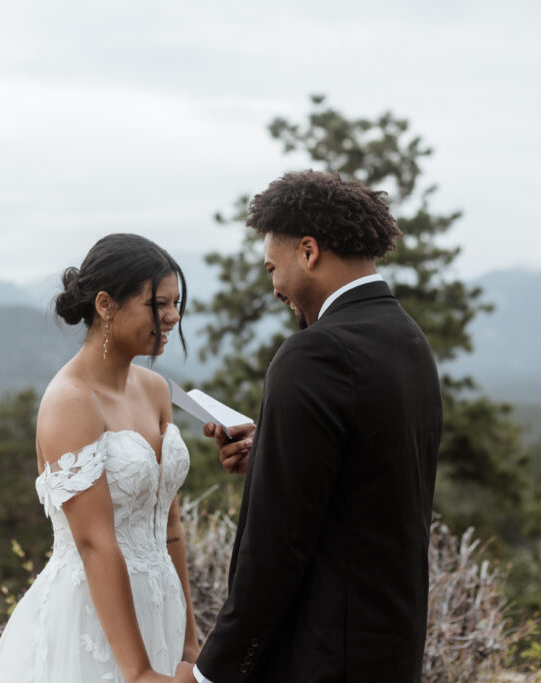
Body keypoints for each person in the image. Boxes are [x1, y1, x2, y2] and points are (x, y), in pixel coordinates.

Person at [181, 171, 444, 682]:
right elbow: (368, 475)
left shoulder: (315, 353)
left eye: (272, 267)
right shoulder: (409, 341)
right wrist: (273, 452)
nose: (274, 287)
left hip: (320, 656)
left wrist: (214, 672)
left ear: (308, 251)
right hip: (390, 651)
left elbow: (277, 542)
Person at [0, 233, 197, 683]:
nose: (173, 316)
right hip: (93, 623)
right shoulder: (71, 401)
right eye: (158, 304)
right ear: (105, 305)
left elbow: (169, 522)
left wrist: (189, 641)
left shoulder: (156, 389)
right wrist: (138, 672)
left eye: (176, 303)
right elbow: (94, 542)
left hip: (164, 609)